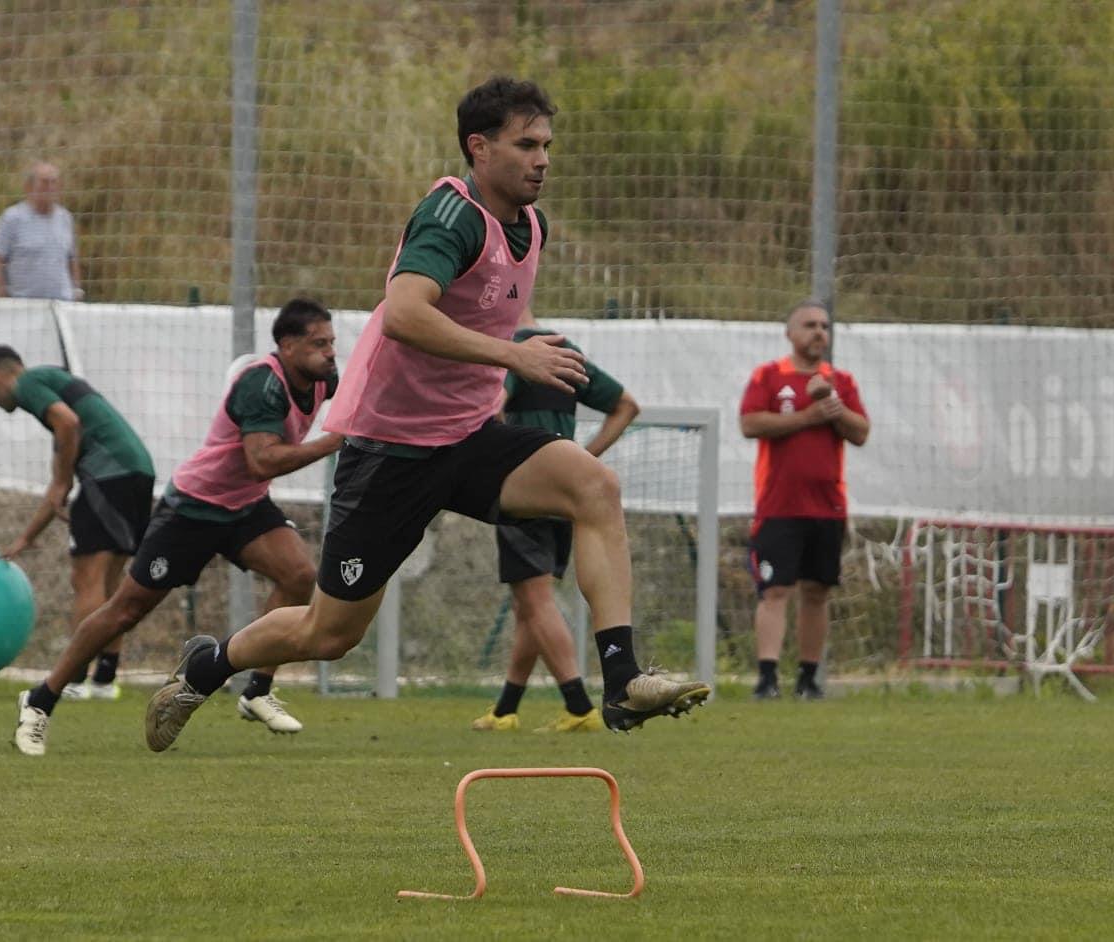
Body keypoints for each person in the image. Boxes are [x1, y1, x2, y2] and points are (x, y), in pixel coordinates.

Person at [145, 75, 710, 752]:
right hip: (390, 453)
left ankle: (620, 682)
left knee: (595, 486)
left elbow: (483, 309)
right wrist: (516, 356)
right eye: (526, 144)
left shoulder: (532, 227)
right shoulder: (451, 215)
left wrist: (507, 363)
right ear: (479, 147)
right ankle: (206, 666)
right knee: (327, 633)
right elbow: (407, 313)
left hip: (469, 439)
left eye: (548, 145)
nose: (543, 159)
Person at [8, 298, 344, 756]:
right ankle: (40, 700)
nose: (329, 352)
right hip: (194, 508)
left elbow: (361, 407)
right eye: (318, 343)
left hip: (245, 505)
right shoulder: (261, 383)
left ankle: (256, 690)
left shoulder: (326, 378)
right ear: (287, 346)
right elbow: (261, 459)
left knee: (300, 577)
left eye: (332, 343)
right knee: (124, 611)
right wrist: (335, 442)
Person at [472, 310, 640, 733]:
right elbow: (626, 406)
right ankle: (506, 708)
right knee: (531, 604)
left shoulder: (513, 354)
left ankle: (580, 705)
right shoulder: (566, 351)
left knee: (534, 601)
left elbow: (492, 409)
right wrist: (582, 463)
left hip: (524, 492)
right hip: (564, 498)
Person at [0, 345, 156, 706]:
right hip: (137, 471)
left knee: (86, 580)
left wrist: (62, 481)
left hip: (108, 475)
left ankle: (73, 678)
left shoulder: (28, 383)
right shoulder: (54, 384)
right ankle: (104, 679)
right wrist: (26, 539)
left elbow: (67, 424)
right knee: (110, 586)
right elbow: (58, 485)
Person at [739, 299, 870, 700]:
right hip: (779, 505)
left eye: (825, 327)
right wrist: (807, 417)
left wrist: (835, 410)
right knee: (775, 591)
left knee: (818, 591)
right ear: (790, 333)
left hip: (827, 506)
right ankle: (767, 678)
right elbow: (750, 423)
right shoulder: (769, 376)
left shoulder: (839, 382)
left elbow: (861, 431)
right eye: (810, 325)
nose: (819, 333)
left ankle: (809, 679)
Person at [0, 161, 84, 302]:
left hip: (61, 305)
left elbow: (71, 259)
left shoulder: (65, 218)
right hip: (23, 306)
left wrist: (77, 291)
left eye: (54, 182)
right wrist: (3, 299)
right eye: (44, 182)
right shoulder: (12, 218)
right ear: (29, 187)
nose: (50, 187)